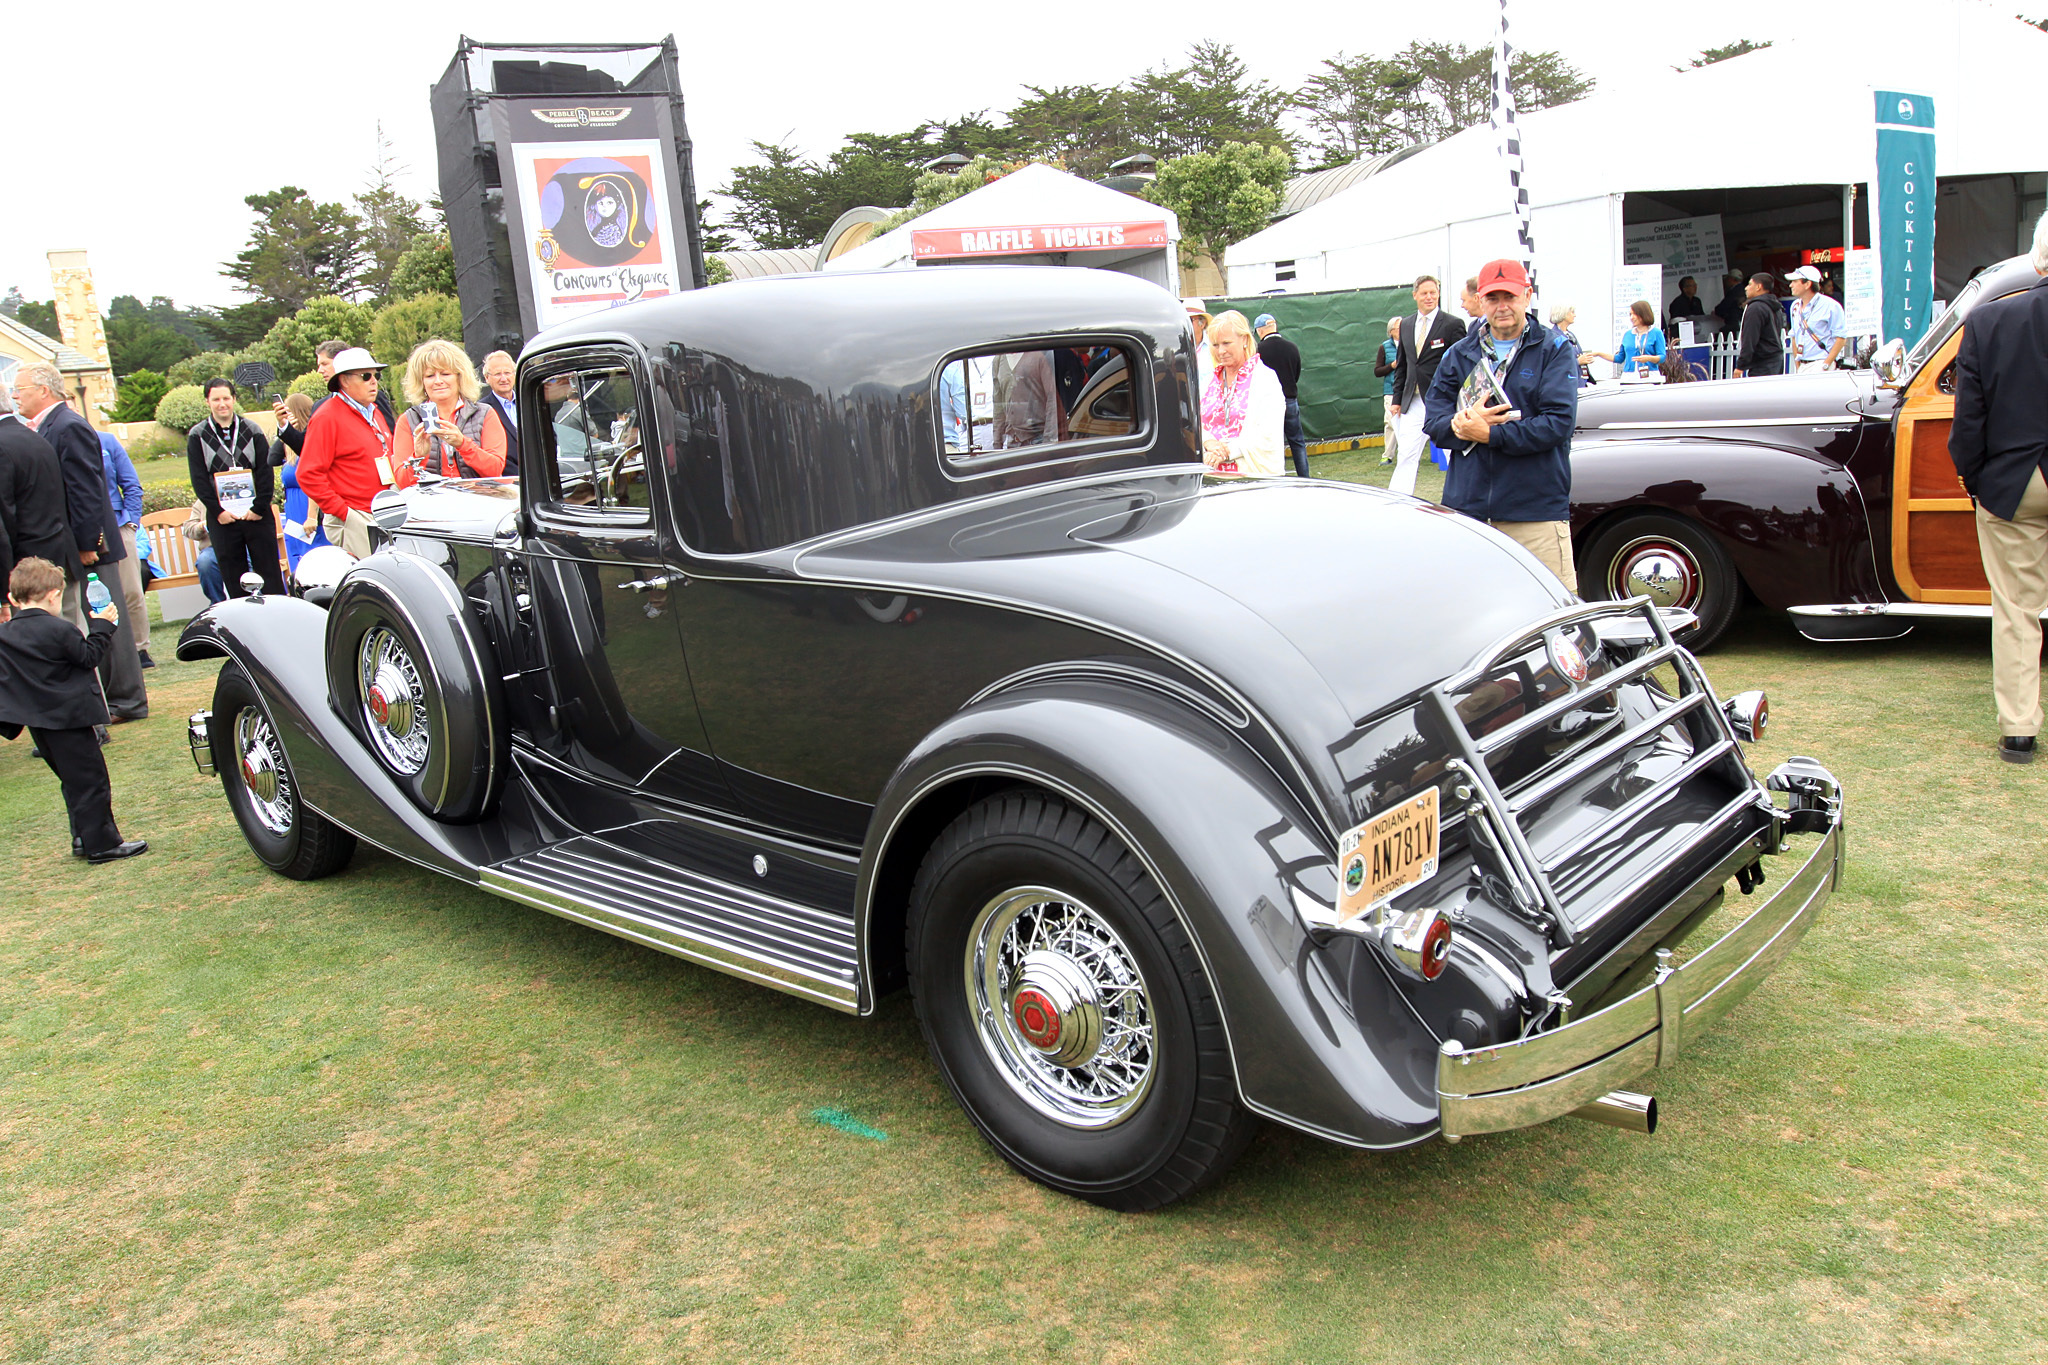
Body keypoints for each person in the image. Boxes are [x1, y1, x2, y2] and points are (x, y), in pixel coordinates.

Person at [1948, 209, 2048, 764]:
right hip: (2015, 476)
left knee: (2016, 609)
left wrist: (1977, 478)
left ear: (2037, 256)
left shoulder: (1991, 321)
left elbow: (1969, 422)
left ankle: (2018, 730)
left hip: (2015, 481)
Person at [1423, 258, 1581, 589]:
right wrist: (1461, 425)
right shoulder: (1458, 354)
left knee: (1550, 617)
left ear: (1527, 296)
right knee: (1473, 612)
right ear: (1480, 301)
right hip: (1469, 512)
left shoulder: (1554, 350)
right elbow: (1434, 421)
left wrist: (1491, 435)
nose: (1502, 307)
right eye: (1493, 298)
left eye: (1509, 297)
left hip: (1534, 513)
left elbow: (1558, 423)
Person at [11, 363, 147, 722]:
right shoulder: (53, 426)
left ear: (43, 390)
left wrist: (89, 543)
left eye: (20, 389)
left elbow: (86, 489)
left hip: (92, 547)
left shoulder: (68, 426)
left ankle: (126, 701)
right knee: (99, 617)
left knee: (107, 618)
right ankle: (118, 699)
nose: (15, 396)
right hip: (79, 544)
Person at [0, 556, 146, 862]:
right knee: (91, 781)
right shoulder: (60, 630)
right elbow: (88, 656)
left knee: (72, 780)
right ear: (55, 595)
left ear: (13, 597)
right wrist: (102, 627)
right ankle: (102, 844)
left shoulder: (7, 635)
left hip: (40, 724)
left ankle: (82, 836)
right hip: (70, 719)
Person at [186, 377, 284, 597]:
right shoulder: (198, 435)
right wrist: (218, 512)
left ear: (234, 399)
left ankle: (275, 616)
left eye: (226, 398)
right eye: (216, 399)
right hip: (223, 518)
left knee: (269, 573)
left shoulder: (252, 430)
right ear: (207, 402)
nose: (222, 404)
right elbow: (199, 479)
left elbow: (265, 471)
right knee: (234, 577)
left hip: (255, 515)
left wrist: (259, 508)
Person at [295, 347, 394, 558]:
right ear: (344, 381)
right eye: (365, 376)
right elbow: (308, 473)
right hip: (356, 516)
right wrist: (343, 513)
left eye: (376, 375)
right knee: (371, 582)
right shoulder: (327, 417)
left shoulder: (374, 412)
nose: (373, 381)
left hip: (384, 512)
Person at [0, 383, 82, 619]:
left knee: (39, 647)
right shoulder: (34, 437)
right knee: (66, 637)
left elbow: (4, 522)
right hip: (57, 554)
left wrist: (3, 591)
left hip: (27, 575)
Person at [392, 339, 508, 487]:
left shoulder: (484, 414)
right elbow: (402, 483)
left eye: (445, 374)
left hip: (479, 502)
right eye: (429, 376)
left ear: (460, 376)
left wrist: (463, 445)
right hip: (431, 504)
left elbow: (495, 470)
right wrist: (419, 456)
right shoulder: (408, 420)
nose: (438, 381)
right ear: (421, 382)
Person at [1391, 275, 1466, 498]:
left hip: (1443, 400)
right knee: (1406, 453)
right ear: (1415, 295)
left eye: (1433, 292)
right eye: (1424, 293)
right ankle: (1398, 500)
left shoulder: (1453, 324)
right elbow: (1403, 364)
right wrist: (1396, 400)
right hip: (1412, 400)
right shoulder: (1406, 324)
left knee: (1452, 450)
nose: (1429, 297)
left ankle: (1462, 496)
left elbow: (1462, 365)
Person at [273, 339, 396, 459]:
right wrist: (285, 426)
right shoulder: (321, 407)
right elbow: (308, 449)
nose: (320, 371)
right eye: (366, 376)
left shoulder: (373, 398)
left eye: (324, 364)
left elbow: (390, 436)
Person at [1200, 310, 1285, 478]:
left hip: (1253, 482)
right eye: (1215, 345)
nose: (1221, 351)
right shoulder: (1208, 381)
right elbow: (1193, 422)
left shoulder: (1265, 378)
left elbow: (1267, 433)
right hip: (1211, 481)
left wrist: (1225, 452)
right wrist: (1207, 442)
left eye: (1226, 343)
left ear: (1244, 339)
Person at [96, 429, 150, 665]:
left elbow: (131, 484)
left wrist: (132, 522)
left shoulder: (106, 441)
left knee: (131, 590)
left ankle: (139, 648)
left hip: (118, 525)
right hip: (82, 528)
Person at [273, 393, 329, 572]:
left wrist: (311, 515)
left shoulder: (312, 442)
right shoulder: (290, 447)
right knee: (299, 566)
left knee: (318, 563)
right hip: (293, 516)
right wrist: (287, 431)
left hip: (309, 512)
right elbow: (270, 459)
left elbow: (316, 476)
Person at [1253, 313, 1308, 477]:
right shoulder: (1292, 347)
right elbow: (1296, 374)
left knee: (1270, 445)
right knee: (1297, 443)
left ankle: (1275, 478)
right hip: (1290, 400)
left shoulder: (1257, 351)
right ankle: (1305, 479)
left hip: (1267, 404)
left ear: (1260, 331)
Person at [1786, 265, 1847, 372]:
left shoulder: (1831, 305)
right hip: (1802, 364)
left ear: (1807, 284)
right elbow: (1794, 336)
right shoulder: (1795, 306)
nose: (1791, 285)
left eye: (1795, 281)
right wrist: (1798, 365)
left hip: (1821, 362)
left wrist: (1826, 364)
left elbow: (1841, 338)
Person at [1735, 273, 1787, 377]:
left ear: (1758, 287)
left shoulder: (1755, 308)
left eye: (1749, 284)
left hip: (1762, 364)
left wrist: (1740, 365)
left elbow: (1750, 338)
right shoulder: (1775, 306)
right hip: (1776, 361)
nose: (1746, 288)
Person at [480, 350, 522, 476]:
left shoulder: (529, 401)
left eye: (507, 373)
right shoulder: (482, 410)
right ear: (487, 378)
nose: (504, 378)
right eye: (497, 374)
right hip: (507, 480)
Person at [181, 500, 227, 604]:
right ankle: (217, 605)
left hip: (245, 545)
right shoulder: (203, 501)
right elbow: (188, 529)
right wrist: (202, 526)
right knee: (205, 562)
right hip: (213, 548)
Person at [1608, 301, 1666, 378]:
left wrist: (1649, 358)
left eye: (1634, 314)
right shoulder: (1628, 334)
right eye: (1630, 314)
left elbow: (1662, 357)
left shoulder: (1656, 333)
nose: (1632, 317)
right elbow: (1619, 358)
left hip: (1650, 375)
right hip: (1629, 376)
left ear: (1643, 314)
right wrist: (1598, 354)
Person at [1372, 318, 1401, 462]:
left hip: (1408, 389)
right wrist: (1392, 366)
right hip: (1391, 390)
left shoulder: (1410, 344)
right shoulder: (1384, 347)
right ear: (1391, 331)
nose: (1401, 331)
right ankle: (1388, 455)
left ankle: (1406, 454)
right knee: (1391, 423)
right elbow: (1377, 371)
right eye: (1398, 328)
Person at [1549, 305, 1589, 388]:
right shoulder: (1553, 337)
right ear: (1563, 314)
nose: (1575, 315)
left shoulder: (1570, 335)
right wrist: (1577, 361)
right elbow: (1553, 365)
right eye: (1572, 312)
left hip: (1579, 383)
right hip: (1566, 387)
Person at [1183, 301, 1213, 400]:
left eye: (1189, 320)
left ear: (1202, 323)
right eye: (1182, 320)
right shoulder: (1176, 348)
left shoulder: (1214, 346)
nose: (1184, 324)